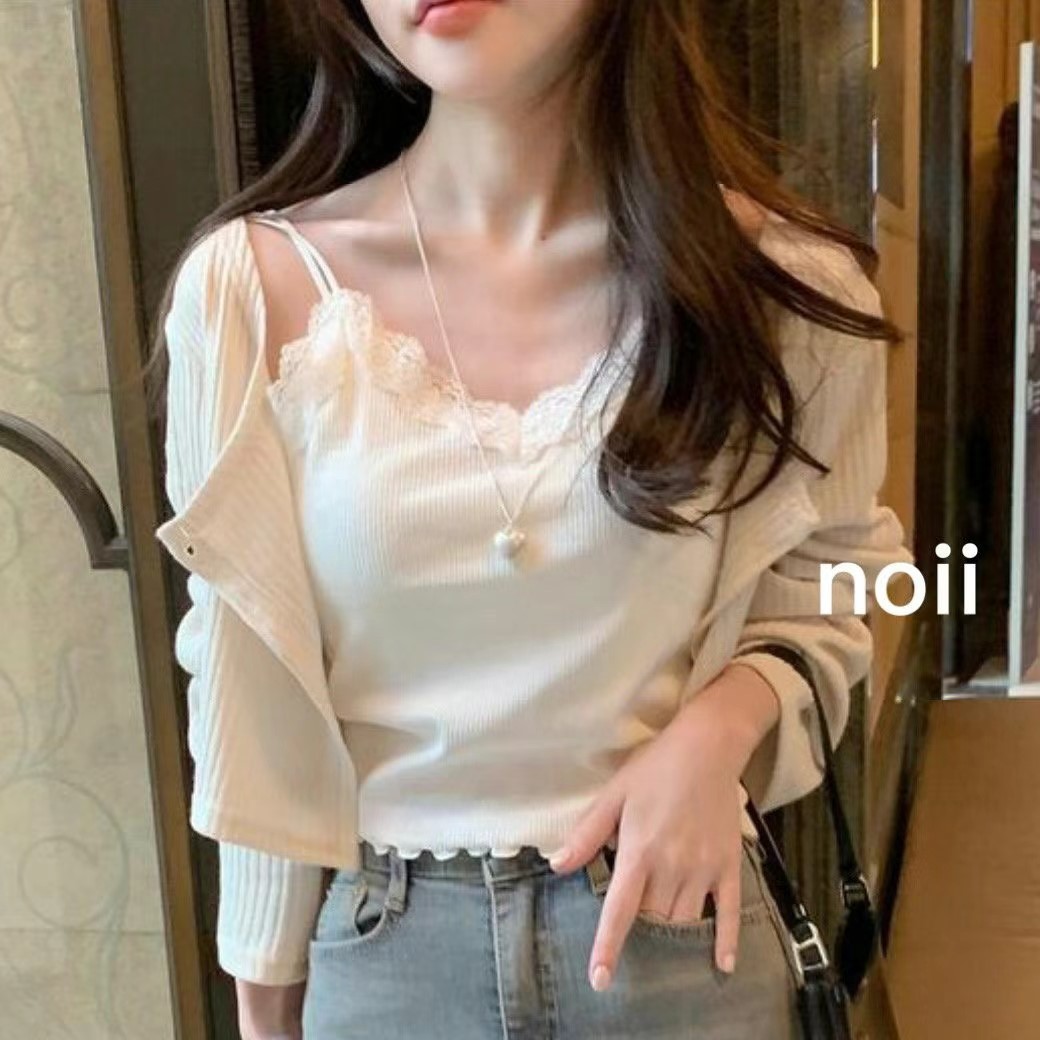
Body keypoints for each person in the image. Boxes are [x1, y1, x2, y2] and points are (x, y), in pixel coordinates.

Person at [146, 1, 911, 1037]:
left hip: (677, 938)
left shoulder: (781, 288)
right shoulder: (250, 290)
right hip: (386, 961)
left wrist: (723, 724)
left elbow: (854, 579)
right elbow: (244, 678)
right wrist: (264, 1003)